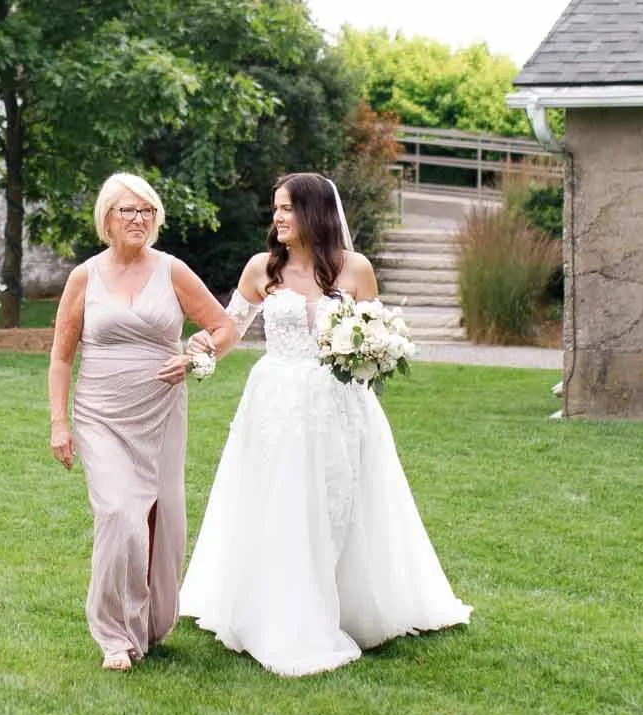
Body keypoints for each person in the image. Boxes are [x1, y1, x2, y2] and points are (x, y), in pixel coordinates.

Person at [180, 172, 471, 676]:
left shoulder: (355, 270)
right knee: (281, 500)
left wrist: (374, 352)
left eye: (288, 208)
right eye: (275, 209)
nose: (278, 217)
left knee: (340, 503)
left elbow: (374, 336)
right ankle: (276, 608)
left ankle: (355, 605)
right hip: (275, 402)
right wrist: (205, 346)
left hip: (339, 406)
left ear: (315, 213)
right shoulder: (261, 268)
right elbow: (231, 329)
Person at [49, 173, 236, 670]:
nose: (138, 219)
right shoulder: (84, 277)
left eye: (147, 211)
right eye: (128, 211)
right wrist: (58, 422)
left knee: (161, 519)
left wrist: (196, 360)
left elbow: (222, 328)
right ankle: (113, 635)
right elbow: (62, 356)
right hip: (100, 413)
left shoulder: (172, 270)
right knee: (118, 516)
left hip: (160, 413)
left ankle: (149, 624)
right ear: (106, 219)